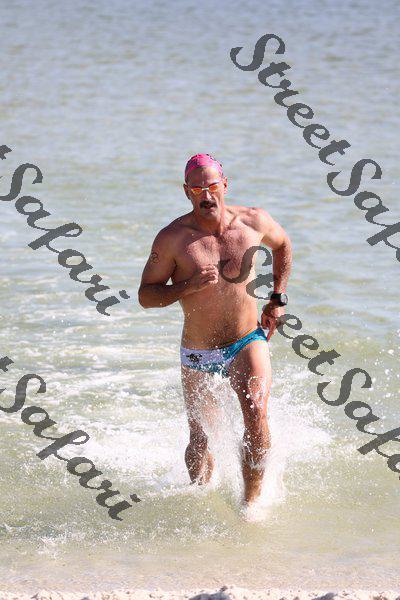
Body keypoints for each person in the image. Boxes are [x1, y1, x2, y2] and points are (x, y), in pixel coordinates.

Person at [138, 153, 292, 507]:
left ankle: (250, 506)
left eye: (211, 186)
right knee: (200, 437)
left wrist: (277, 298)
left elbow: (283, 245)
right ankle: (198, 499)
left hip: (246, 339)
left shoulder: (253, 221)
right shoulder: (173, 239)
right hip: (199, 350)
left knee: (256, 414)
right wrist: (186, 286)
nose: (205, 195)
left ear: (224, 185)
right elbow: (146, 295)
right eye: (196, 189)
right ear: (186, 192)